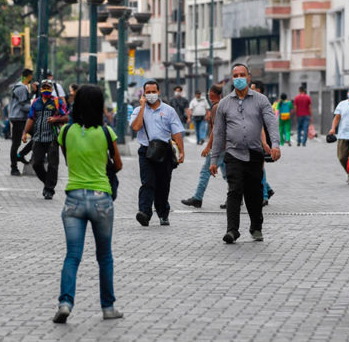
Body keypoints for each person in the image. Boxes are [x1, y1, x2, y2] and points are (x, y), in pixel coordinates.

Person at [53, 84, 123, 324]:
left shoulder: (66, 131)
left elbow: (67, 160)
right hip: (101, 197)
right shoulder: (106, 133)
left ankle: (65, 302)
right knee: (104, 257)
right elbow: (119, 165)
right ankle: (108, 307)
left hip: (73, 199)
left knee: (72, 256)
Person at [210, 63, 281, 244]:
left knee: (254, 193)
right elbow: (218, 133)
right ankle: (232, 230)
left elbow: (271, 123)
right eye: (236, 76)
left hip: (254, 154)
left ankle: (256, 227)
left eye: (242, 75)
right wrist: (213, 159)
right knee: (234, 191)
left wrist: (275, 145)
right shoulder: (224, 104)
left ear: (248, 77)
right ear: (232, 79)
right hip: (233, 154)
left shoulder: (261, 100)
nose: (239, 78)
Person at [131, 80, 185, 226]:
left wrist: (181, 151)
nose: (151, 95)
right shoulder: (138, 111)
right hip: (146, 151)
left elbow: (177, 132)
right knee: (147, 182)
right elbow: (136, 127)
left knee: (163, 184)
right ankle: (144, 213)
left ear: (159, 92)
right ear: (143, 94)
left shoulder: (168, 110)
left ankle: (163, 214)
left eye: (153, 91)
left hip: (164, 152)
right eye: (147, 92)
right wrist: (142, 107)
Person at [181, 84, 226, 208]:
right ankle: (236, 196)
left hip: (219, 146)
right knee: (228, 174)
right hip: (225, 145)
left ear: (214, 94)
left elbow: (216, 129)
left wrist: (208, 147)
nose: (209, 97)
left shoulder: (216, 107)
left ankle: (197, 197)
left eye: (210, 95)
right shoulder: (223, 105)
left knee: (205, 171)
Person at [22, 80, 69, 199]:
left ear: (52, 89)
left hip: (52, 138)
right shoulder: (35, 103)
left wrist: (56, 119)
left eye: (49, 87)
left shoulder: (57, 102)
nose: (46, 89)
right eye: (44, 87)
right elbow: (31, 118)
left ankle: (49, 189)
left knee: (53, 165)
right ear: (41, 89)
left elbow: (67, 117)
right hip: (38, 138)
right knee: (36, 163)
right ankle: (48, 183)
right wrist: (24, 133)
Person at [328, 87, 349, 184]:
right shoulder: (342, 104)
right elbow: (337, 118)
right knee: (342, 157)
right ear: (347, 94)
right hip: (343, 134)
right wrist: (333, 128)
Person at [8, 69, 36, 176]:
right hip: (18, 119)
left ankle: (21, 155)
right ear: (28, 76)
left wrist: (33, 92)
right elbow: (24, 105)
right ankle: (13, 167)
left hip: (22, 118)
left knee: (37, 136)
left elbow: (25, 100)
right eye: (31, 76)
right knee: (16, 143)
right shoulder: (20, 88)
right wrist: (36, 108)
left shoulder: (23, 88)